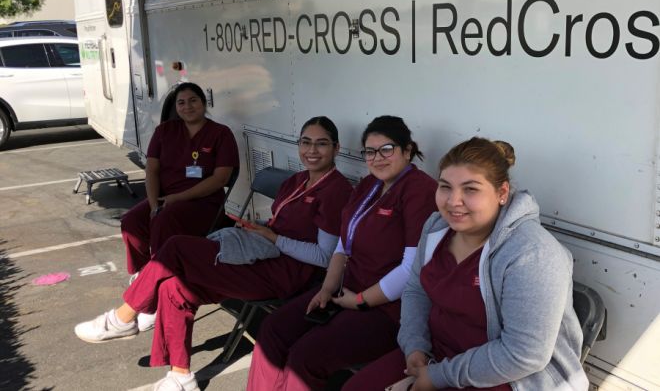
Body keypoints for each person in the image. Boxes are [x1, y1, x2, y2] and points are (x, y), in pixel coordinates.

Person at [74, 116, 354, 391]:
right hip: (261, 255)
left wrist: (274, 237)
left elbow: (325, 257)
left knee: (176, 249)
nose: (312, 151)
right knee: (174, 287)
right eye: (306, 142)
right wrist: (259, 231)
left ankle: (123, 318)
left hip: (284, 274)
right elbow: (280, 225)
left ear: (336, 149)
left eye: (322, 144)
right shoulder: (296, 180)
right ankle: (181, 376)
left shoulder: (336, 190)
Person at [342, 137, 588, 391]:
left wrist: (437, 377)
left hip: (508, 377)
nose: (453, 201)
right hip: (437, 355)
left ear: (502, 193)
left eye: (470, 189)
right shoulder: (436, 227)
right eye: (445, 187)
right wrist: (414, 346)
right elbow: (416, 290)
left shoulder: (532, 254)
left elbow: (524, 355)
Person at [246, 115, 438, 391]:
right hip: (345, 291)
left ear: (407, 151)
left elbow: (411, 270)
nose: (378, 158)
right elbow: (342, 245)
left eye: (387, 149)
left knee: (306, 356)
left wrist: (360, 301)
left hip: (387, 309)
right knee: (272, 330)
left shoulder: (419, 191)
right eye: (370, 151)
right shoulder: (368, 185)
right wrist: (327, 289)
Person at [120, 82, 239, 275]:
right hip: (164, 199)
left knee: (164, 220)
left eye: (193, 101)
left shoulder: (220, 133)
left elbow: (220, 179)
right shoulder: (164, 131)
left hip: (203, 204)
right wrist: (152, 206)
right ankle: (142, 274)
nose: (187, 107)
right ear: (176, 107)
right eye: (181, 103)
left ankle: (161, 276)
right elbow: (151, 170)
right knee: (131, 221)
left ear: (204, 103)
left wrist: (177, 198)